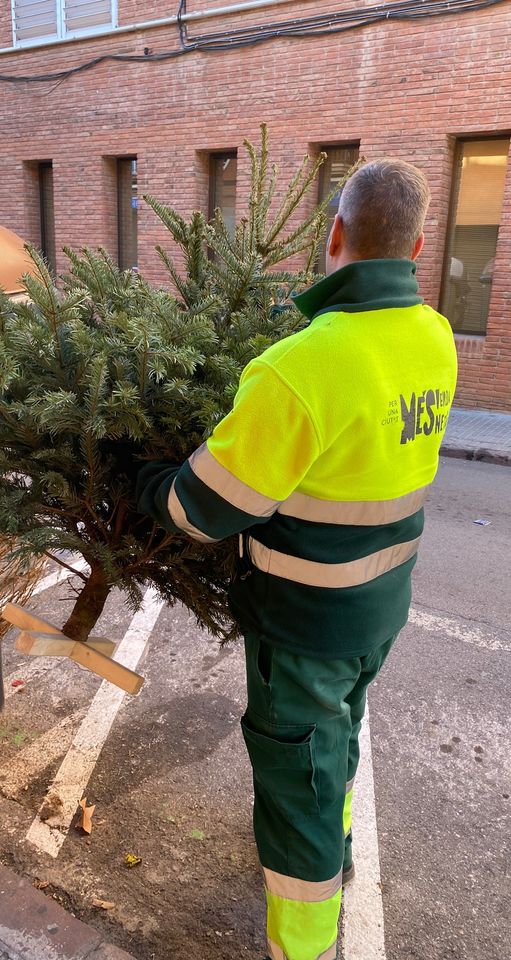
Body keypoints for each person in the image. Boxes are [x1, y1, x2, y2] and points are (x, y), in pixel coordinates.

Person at [136, 159, 458, 960]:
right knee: (335, 743)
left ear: (334, 236)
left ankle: (304, 946)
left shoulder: (299, 366)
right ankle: (338, 852)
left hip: (304, 626)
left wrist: (137, 477)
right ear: (416, 245)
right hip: (380, 609)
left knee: (296, 788)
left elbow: (200, 509)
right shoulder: (436, 337)